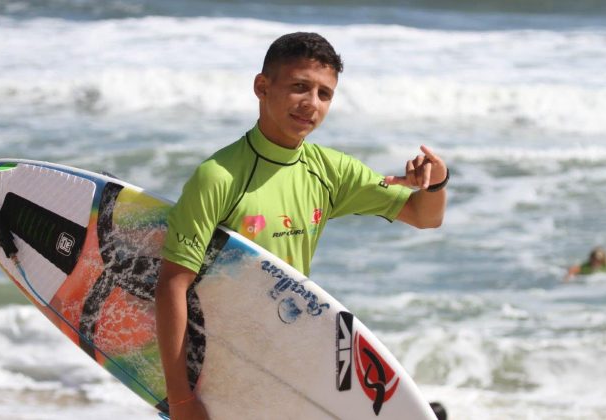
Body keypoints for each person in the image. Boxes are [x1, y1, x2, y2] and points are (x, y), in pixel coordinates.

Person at [155, 32, 448, 420]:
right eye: (299, 87)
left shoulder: (330, 171)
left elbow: (424, 217)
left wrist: (437, 181)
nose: (311, 104)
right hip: (219, 365)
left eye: (324, 94)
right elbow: (172, 283)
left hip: (288, 358)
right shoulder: (219, 177)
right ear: (262, 87)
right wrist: (181, 400)